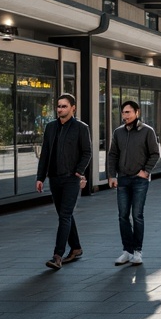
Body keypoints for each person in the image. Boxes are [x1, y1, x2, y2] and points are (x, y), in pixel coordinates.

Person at [36, 94, 92, 270]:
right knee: (64, 215)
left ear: (73, 108)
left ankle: (57, 256)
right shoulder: (51, 127)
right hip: (54, 178)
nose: (60, 109)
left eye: (64, 106)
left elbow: (87, 152)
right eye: (59, 106)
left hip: (71, 179)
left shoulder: (81, 128)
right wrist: (40, 177)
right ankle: (76, 248)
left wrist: (79, 171)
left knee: (65, 215)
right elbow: (45, 153)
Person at [107, 100, 161, 267]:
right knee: (123, 216)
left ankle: (137, 251)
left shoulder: (147, 131)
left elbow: (155, 153)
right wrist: (111, 176)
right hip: (122, 179)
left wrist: (145, 171)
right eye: (123, 112)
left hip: (140, 180)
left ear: (137, 112)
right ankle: (127, 251)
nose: (125, 116)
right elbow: (112, 155)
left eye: (128, 112)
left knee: (137, 215)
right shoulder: (118, 133)